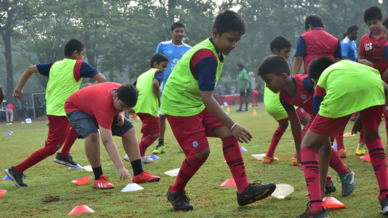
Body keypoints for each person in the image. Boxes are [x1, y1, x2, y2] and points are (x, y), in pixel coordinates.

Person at [161, 10, 276, 212]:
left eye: (237, 40)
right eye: (230, 39)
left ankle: (244, 191)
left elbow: (204, 96)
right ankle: (175, 190)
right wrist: (233, 124)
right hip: (180, 104)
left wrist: (230, 127)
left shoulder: (216, 51)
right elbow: (208, 97)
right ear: (215, 33)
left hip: (195, 100)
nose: (234, 45)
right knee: (200, 151)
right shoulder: (206, 56)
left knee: (228, 135)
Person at [5, 39, 107, 188]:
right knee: (51, 148)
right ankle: (16, 171)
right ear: (75, 53)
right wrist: (92, 85)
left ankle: (64, 154)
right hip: (61, 111)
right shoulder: (79, 65)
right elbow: (103, 80)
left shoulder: (54, 65)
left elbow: (29, 69)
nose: (83, 57)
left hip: (60, 108)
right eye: (83, 54)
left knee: (84, 122)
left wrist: (19, 88)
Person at [299, 57, 388, 217]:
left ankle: (315, 208)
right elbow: (384, 87)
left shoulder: (321, 84)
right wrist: (366, 111)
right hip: (374, 84)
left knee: (308, 146)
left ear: (313, 80)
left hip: (345, 89)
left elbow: (324, 149)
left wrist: (320, 189)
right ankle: (386, 197)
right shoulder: (352, 67)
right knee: (373, 137)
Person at [258, 55, 356, 199]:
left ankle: (343, 175)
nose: (267, 86)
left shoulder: (306, 83)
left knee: (322, 147)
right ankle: (326, 182)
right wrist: (298, 152)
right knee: (306, 149)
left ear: (283, 76)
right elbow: (295, 124)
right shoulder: (283, 97)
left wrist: (329, 129)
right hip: (315, 116)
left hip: (328, 114)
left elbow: (329, 95)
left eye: (268, 81)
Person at [65, 82, 160, 189]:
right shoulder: (104, 105)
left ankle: (139, 174)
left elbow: (121, 107)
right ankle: (99, 178)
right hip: (76, 108)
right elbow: (107, 141)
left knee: (129, 130)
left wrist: (120, 113)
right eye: (122, 106)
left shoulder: (123, 91)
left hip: (95, 105)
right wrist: (121, 168)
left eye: (126, 108)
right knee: (92, 135)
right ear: (115, 96)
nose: (123, 109)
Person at [263, 36, 310, 164]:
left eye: (289, 52)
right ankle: (297, 156)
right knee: (308, 122)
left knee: (283, 124)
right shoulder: (279, 67)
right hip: (280, 102)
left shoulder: (268, 65)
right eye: (286, 52)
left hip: (270, 105)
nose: (288, 55)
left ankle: (269, 155)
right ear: (275, 51)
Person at [153, 22, 191, 155]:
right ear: (171, 32)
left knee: (182, 116)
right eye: (177, 31)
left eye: (182, 31)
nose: (180, 33)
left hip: (180, 88)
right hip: (164, 87)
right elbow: (155, 65)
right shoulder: (163, 46)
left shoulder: (189, 49)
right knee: (162, 116)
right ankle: (161, 145)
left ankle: (184, 144)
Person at [357, 6, 388, 155]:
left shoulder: (387, 37)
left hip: (386, 82)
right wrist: (362, 62)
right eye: (369, 24)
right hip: (371, 82)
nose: (372, 26)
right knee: (367, 112)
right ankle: (362, 143)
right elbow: (359, 59)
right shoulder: (364, 39)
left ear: (382, 20)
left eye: (375, 22)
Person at [131, 53, 168, 163]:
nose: (164, 69)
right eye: (163, 66)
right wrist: (159, 100)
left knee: (147, 132)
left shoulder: (142, 75)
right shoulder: (158, 72)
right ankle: (134, 154)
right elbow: (155, 84)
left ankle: (141, 156)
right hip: (149, 107)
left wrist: (131, 105)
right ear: (155, 64)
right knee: (155, 133)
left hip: (139, 106)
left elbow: (132, 88)